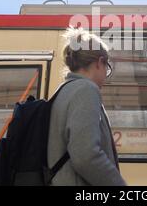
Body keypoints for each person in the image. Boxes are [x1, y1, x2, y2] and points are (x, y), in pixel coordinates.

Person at [47, 27, 126, 186]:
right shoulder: (86, 90)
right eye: (107, 68)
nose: (106, 74)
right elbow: (86, 156)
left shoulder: (64, 90)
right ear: (99, 63)